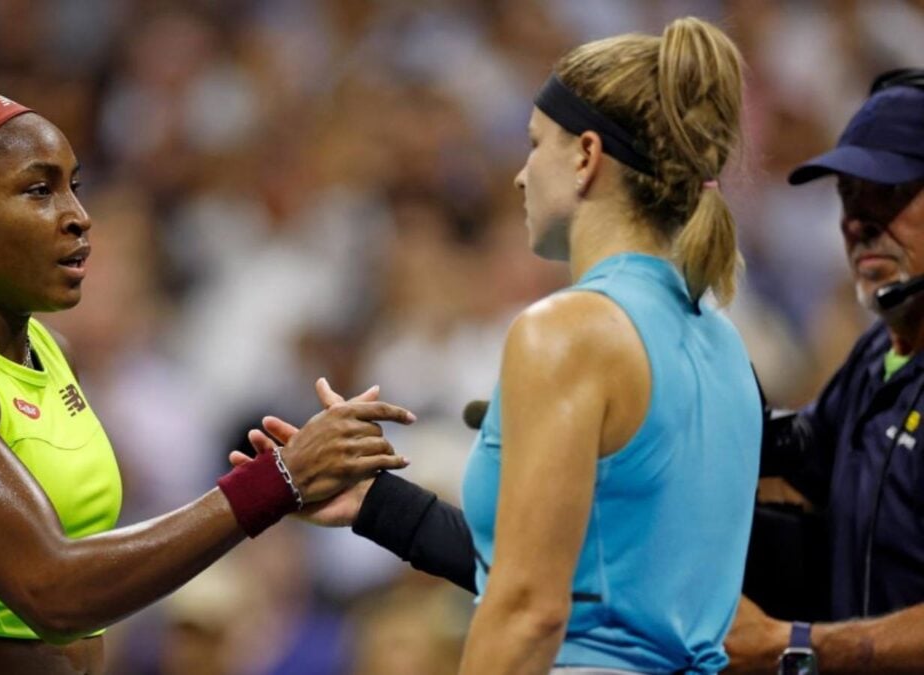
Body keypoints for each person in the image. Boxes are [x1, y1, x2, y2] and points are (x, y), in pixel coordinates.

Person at [0, 81, 416, 675]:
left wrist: (282, 485)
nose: (79, 217)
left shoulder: (49, 348)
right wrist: (272, 483)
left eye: (75, 186)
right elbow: (53, 591)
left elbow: (102, 561)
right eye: (39, 191)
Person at [237, 16, 762, 675]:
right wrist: (377, 503)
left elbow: (528, 610)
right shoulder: (721, 338)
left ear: (586, 157)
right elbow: (598, 584)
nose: (519, 176)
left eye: (535, 144)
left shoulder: (566, 332)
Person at [724, 69, 924, 673]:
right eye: (847, 196)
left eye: (886, 194)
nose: (857, 222)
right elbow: (803, 458)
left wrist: (795, 643)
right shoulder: (876, 357)